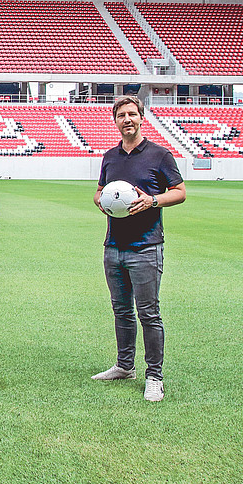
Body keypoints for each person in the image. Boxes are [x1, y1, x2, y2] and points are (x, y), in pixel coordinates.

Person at [92, 95, 185, 402]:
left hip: (146, 247)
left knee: (149, 312)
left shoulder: (160, 155)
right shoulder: (110, 157)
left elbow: (180, 192)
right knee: (121, 311)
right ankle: (124, 366)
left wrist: (152, 200)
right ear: (115, 120)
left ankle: (154, 376)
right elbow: (99, 192)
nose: (127, 119)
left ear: (141, 117)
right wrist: (102, 201)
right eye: (122, 115)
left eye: (132, 114)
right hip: (113, 246)